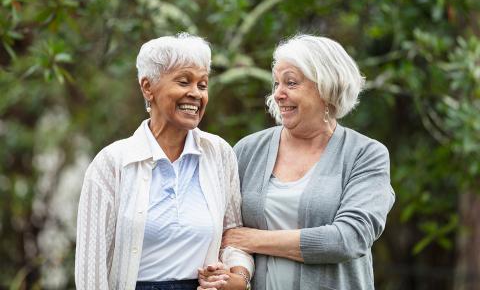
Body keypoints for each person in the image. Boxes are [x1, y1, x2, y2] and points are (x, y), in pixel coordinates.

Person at [200, 34, 395, 290]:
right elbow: (226, 234)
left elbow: (348, 239)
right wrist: (234, 276)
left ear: (327, 88)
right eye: (276, 83)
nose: (278, 94)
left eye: (291, 83)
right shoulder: (247, 150)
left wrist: (254, 239)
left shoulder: (365, 154)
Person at [75, 33, 253, 290]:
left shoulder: (219, 154)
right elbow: (90, 271)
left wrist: (237, 276)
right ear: (148, 87)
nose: (195, 94)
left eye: (202, 85)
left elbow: (233, 236)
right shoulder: (112, 163)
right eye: (184, 82)